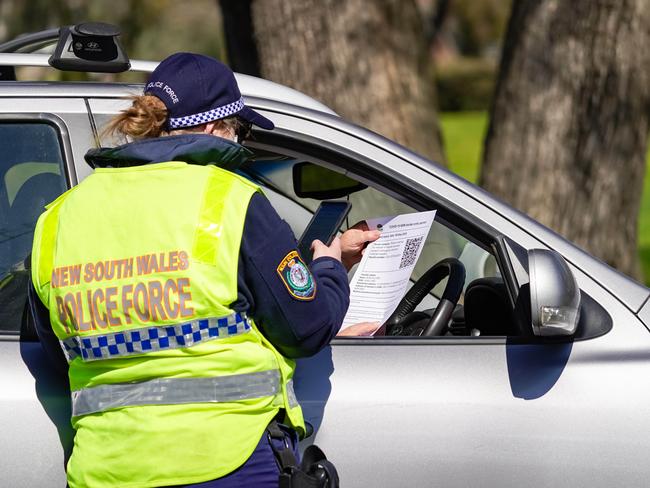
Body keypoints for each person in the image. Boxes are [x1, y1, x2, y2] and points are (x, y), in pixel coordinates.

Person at [29, 52, 377, 488]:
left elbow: (57, 349)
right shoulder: (230, 199)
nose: (241, 142)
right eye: (241, 130)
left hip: (106, 468)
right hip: (226, 461)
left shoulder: (58, 218)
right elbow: (305, 329)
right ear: (215, 128)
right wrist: (329, 267)